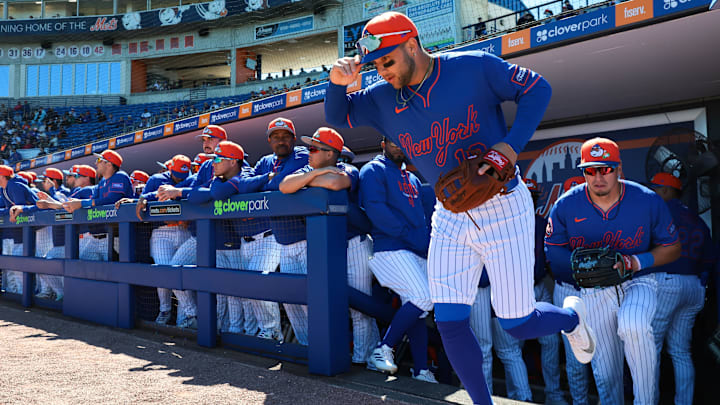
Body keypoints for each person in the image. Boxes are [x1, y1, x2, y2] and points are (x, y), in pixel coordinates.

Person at [324, 12, 590, 403]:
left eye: (387, 61)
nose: (382, 72)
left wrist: (510, 146)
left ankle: (571, 318)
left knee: (516, 322)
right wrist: (335, 83)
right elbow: (337, 115)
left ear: (411, 44)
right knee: (450, 321)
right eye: (376, 64)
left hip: (502, 205)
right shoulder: (383, 98)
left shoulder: (472, 66)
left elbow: (538, 88)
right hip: (449, 214)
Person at [545, 138, 681, 405]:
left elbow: (673, 247)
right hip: (595, 288)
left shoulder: (647, 200)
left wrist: (635, 261)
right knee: (605, 372)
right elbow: (553, 249)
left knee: (633, 324)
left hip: (637, 281)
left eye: (605, 169)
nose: (598, 177)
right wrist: (578, 265)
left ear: (619, 169)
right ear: (583, 172)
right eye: (590, 170)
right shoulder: (566, 205)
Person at [280, 127, 381, 367]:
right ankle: (335, 354)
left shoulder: (349, 169)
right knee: (326, 301)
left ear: (330, 153)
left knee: (360, 308)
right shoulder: (312, 168)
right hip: (326, 247)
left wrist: (313, 178)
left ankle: (363, 360)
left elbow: (336, 183)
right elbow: (285, 185)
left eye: (314, 149)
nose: (309, 153)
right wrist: (318, 173)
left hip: (354, 244)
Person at [356, 137, 437, 382]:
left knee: (418, 310)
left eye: (405, 142)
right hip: (390, 248)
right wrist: (413, 238)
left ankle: (421, 370)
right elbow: (377, 211)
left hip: (415, 250)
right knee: (424, 297)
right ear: (383, 143)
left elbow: (421, 220)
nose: (400, 146)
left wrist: (422, 244)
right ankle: (383, 349)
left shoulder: (411, 178)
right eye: (394, 141)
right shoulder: (373, 169)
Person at [649, 172, 712, 405]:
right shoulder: (695, 218)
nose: (653, 193)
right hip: (694, 286)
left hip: (668, 282)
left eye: (656, 189)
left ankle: (649, 401)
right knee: (681, 351)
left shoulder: (661, 213)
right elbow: (709, 259)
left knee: (650, 349)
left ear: (666, 191)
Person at [0, 165, 39, 293]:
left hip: (41, 226)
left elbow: (19, 208)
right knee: (16, 263)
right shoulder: (4, 188)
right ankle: (22, 292)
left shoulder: (14, 185)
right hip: (28, 229)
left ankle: (31, 293)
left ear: (2, 176)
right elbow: (9, 210)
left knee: (36, 263)